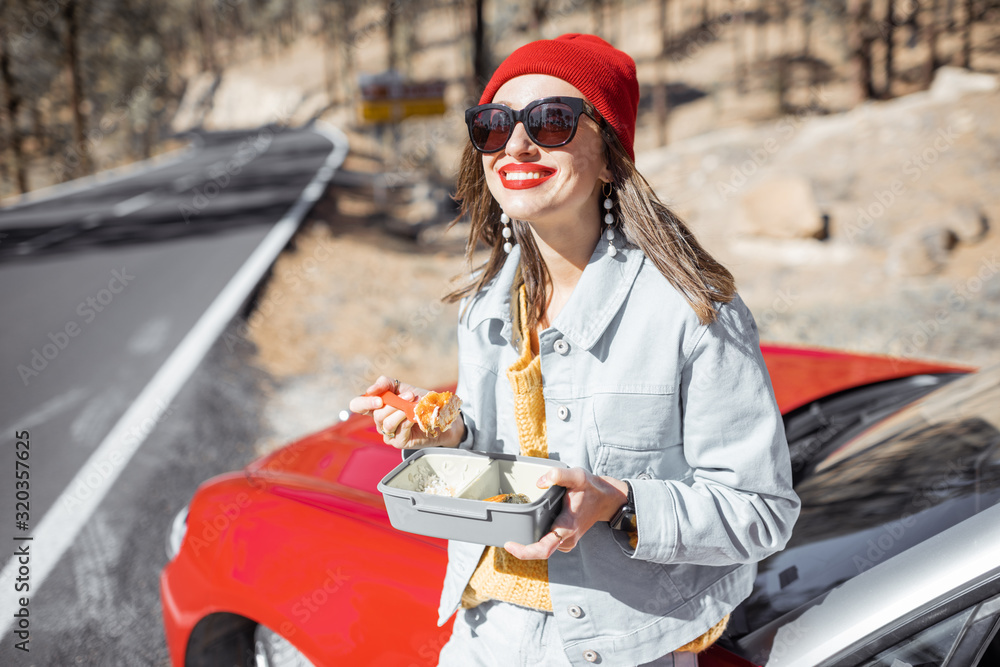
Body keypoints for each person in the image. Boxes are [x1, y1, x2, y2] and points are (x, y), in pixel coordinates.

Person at [350, 33, 800, 667]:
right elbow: (504, 477)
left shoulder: (694, 313)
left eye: (552, 122)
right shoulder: (485, 309)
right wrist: (442, 429)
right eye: (492, 125)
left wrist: (619, 502)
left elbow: (762, 513)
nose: (516, 144)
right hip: (483, 638)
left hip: (622, 649)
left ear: (611, 157)